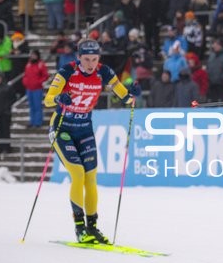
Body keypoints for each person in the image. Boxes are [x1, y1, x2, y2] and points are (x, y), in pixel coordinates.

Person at [44, 39, 141, 244]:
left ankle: (92, 227)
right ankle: (80, 228)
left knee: (91, 177)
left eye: (94, 59)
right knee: (77, 174)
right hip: (62, 128)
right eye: (86, 59)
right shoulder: (67, 71)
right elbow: (48, 98)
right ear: (78, 57)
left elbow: (122, 93)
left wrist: (131, 94)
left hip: (84, 129)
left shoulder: (103, 71)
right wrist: (59, 98)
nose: (90, 64)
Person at [22, 49, 50, 127]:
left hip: (37, 88)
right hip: (29, 88)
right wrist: (25, 81)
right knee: (31, 106)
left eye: (34, 55)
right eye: (32, 55)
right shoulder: (28, 64)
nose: (33, 56)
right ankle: (32, 121)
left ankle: (38, 122)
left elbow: (46, 75)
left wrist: (39, 82)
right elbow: (25, 75)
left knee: (37, 106)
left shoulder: (41, 64)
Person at [0, 71, 15, 155]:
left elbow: (13, 98)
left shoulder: (7, 88)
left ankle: (7, 147)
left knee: (6, 131)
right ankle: (0, 147)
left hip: (6, 113)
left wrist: (7, 107)